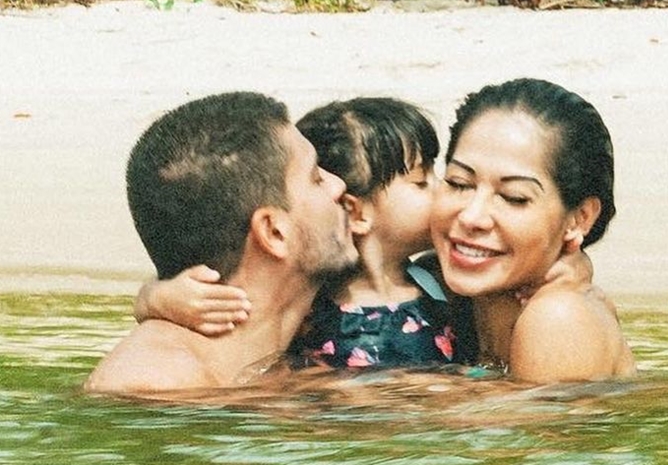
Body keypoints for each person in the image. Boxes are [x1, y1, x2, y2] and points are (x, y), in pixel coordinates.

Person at [137, 97, 463, 368]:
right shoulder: (315, 299)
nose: (445, 187)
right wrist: (155, 299)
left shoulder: (441, 276)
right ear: (356, 212)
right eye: (421, 182)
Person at [84, 91, 358, 396]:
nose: (339, 185)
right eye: (316, 178)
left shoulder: (289, 365)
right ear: (273, 232)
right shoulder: (152, 384)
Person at [430, 78, 636, 384]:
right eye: (459, 183)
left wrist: (397, 388)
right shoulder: (438, 284)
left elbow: (529, 431)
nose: (472, 217)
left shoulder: (558, 317)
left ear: (579, 219)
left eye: (514, 198)